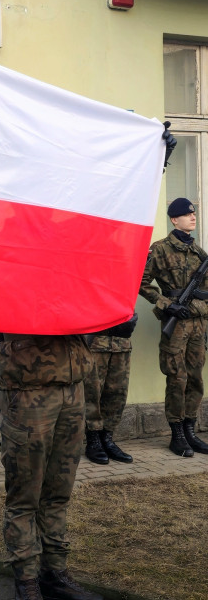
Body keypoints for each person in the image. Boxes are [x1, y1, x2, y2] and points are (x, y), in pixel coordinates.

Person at [0, 334, 106, 600]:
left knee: (58, 493)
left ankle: (54, 575)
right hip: (28, 390)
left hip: (72, 388)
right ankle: (27, 581)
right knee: (24, 497)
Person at [139, 197, 208, 457]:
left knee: (195, 378)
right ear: (173, 219)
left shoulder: (199, 253)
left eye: (193, 213)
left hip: (198, 325)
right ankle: (177, 434)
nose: (193, 217)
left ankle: (191, 431)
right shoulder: (159, 249)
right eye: (187, 214)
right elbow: (141, 283)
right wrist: (166, 304)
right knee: (176, 378)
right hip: (176, 324)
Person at [84, 314, 138, 465]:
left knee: (118, 392)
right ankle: (93, 440)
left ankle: (107, 438)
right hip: (95, 339)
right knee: (92, 391)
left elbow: (141, 289)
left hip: (121, 340)